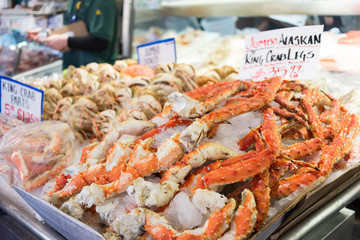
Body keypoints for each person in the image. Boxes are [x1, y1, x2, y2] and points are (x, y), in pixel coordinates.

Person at [27, 0, 118, 69]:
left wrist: (65, 41)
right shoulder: (73, 1)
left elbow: (101, 41)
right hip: (73, 69)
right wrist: (46, 33)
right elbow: (72, 29)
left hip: (96, 74)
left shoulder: (102, 2)